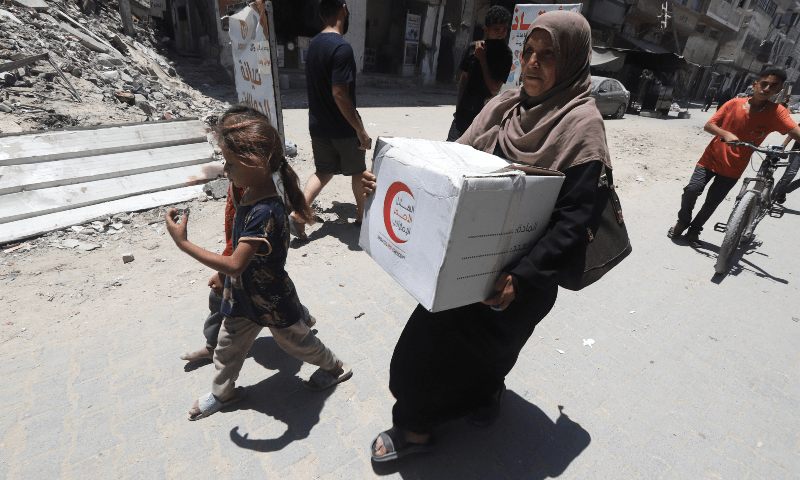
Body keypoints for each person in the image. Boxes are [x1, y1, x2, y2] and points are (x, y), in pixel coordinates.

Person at [364, 12, 614, 461]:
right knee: (421, 354)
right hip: (465, 269)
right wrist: (383, 181)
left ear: (574, 61)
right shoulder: (505, 107)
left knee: (492, 357)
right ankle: (415, 424)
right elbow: (451, 166)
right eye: (528, 52)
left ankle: (482, 398)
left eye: (548, 55)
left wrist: (523, 276)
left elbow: (574, 220)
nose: (532, 64)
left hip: (519, 283)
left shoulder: (582, 127)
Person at [165, 106, 352, 421]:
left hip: (272, 300)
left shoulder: (265, 211)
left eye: (229, 162)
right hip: (243, 297)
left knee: (299, 345)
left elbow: (237, 264)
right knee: (227, 348)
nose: (225, 169)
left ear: (253, 162)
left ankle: (336, 367)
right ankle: (223, 393)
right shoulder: (249, 190)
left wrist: (183, 243)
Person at [669, 68, 800, 246]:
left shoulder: (777, 112)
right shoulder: (734, 104)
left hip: (734, 167)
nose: (767, 89)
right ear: (755, 85)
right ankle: (683, 220)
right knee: (691, 190)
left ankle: (695, 230)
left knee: (712, 202)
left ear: (779, 90)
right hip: (710, 159)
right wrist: (725, 133)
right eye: (764, 84)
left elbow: (795, 131)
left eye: (773, 86)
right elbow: (709, 126)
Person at [289, 0, 371, 239]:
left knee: (323, 172)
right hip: (344, 128)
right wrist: (360, 130)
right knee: (358, 171)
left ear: (321, 14)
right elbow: (339, 94)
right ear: (344, 9)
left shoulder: (313, 45)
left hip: (318, 125)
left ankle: (297, 213)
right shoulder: (341, 48)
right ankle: (362, 218)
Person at [446, 5, 513, 142]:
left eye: (504, 30)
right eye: (496, 31)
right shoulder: (473, 48)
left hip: (483, 118)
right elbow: (463, 78)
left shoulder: (505, 55)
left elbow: (494, 89)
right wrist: (459, 107)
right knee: (450, 149)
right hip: (462, 115)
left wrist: (482, 59)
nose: (501, 35)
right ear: (486, 30)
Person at [774, 137, 800, 204]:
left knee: (788, 176)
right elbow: (793, 130)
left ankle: (783, 190)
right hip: (798, 151)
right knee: (789, 175)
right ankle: (771, 199)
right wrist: (783, 145)